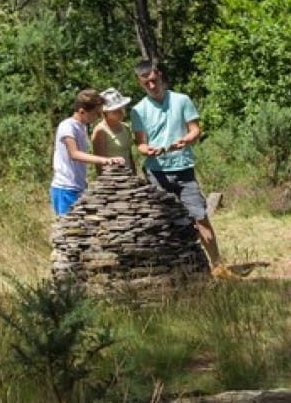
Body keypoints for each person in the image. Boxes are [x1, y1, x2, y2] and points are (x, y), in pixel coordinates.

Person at [128, 60, 239, 280]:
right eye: (146, 83)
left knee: (199, 216)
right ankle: (173, 271)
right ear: (139, 83)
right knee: (164, 221)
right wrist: (148, 150)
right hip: (156, 172)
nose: (151, 85)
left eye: (154, 80)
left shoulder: (181, 100)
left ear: (159, 75)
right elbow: (140, 144)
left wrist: (185, 140)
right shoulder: (138, 110)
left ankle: (218, 266)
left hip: (183, 168)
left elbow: (195, 130)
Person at [51, 89, 126, 215]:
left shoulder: (82, 127)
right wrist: (105, 160)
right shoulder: (67, 126)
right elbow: (74, 154)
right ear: (82, 111)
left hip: (78, 186)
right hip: (65, 188)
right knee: (68, 229)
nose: (98, 117)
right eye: (96, 113)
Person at [91, 88, 136, 174]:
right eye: (115, 111)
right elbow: (99, 163)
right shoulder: (100, 131)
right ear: (105, 113)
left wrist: (134, 175)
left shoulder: (125, 127)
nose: (121, 113)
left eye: (122, 109)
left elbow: (129, 156)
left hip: (129, 177)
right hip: (112, 179)